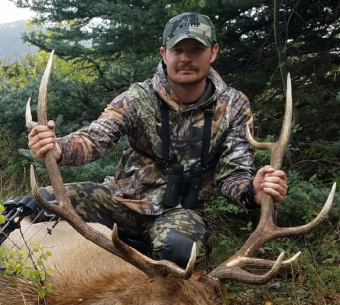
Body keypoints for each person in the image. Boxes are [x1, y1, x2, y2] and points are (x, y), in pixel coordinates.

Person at [1, 12, 287, 268]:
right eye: (178, 50)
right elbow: (95, 138)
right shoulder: (138, 98)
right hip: (120, 202)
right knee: (31, 204)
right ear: (164, 53)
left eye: (196, 49)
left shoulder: (234, 106)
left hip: (178, 215)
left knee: (179, 251)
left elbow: (233, 175)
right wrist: (57, 146)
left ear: (213, 53)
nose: (186, 58)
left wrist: (253, 191)